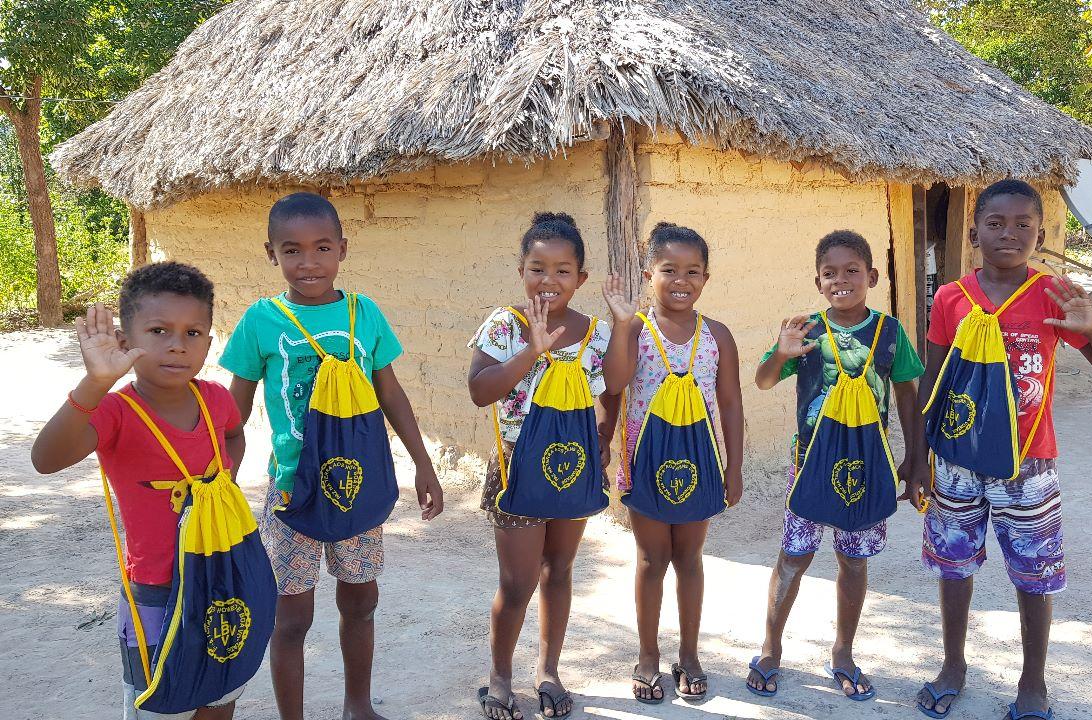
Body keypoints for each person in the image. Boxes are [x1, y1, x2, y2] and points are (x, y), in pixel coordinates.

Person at [219, 192, 444, 720]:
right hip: (292, 490)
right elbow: (234, 409)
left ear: (343, 249)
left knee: (360, 601)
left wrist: (423, 463)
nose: (309, 262)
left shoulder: (364, 315)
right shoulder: (260, 321)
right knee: (291, 616)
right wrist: (217, 477)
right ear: (270, 253)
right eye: (292, 250)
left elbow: (390, 393)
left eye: (322, 248)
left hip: (357, 485)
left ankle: (357, 707)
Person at [908, 180, 1092, 720]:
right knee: (953, 567)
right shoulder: (951, 298)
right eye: (996, 223)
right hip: (957, 463)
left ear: (1041, 233)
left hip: (1029, 466)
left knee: (1035, 573)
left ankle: (1034, 680)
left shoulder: (1053, 295)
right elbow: (933, 382)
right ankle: (953, 666)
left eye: (1023, 225)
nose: (1010, 233)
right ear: (974, 231)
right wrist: (918, 459)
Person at [31, 262, 254, 719]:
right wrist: (94, 383)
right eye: (158, 330)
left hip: (221, 570)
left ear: (210, 342)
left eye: (193, 333)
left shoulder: (215, 399)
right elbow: (45, 459)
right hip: (156, 588)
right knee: (162, 700)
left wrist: (222, 481)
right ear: (126, 340)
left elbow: (233, 433)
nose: (177, 344)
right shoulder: (116, 412)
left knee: (221, 688)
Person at [745, 231, 927, 700]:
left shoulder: (890, 333)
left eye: (852, 272)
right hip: (811, 464)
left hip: (868, 466)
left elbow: (908, 393)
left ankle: (843, 652)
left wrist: (916, 457)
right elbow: (764, 381)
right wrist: (781, 353)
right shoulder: (806, 331)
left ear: (872, 276)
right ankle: (770, 648)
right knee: (794, 556)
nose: (841, 281)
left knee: (854, 559)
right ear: (818, 281)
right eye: (830, 273)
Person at [467, 213, 613, 720]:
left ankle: (548, 669)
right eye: (537, 268)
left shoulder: (594, 332)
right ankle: (500, 677)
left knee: (561, 569)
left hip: (571, 469)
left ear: (581, 278)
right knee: (518, 581)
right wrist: (532, 349)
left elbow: (609, 391)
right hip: (516, 474)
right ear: (521, 270)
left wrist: (603, 442)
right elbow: (480, 390)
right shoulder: (506, 324)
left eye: (563, 271)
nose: (549, 281)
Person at [599, 222, 744, 704]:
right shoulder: (636, 330)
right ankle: (647, 656)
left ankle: (689, 653)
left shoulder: (717, 336)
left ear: (706, 278)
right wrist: (622, 326)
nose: (681, 280)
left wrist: (734, 467)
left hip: (700, 461)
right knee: (650, 559)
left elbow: (730, 406)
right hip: (646, 460)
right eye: (669, 270)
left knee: (690, 559)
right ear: (648, 273)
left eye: (693, 272)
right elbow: (615, 385)